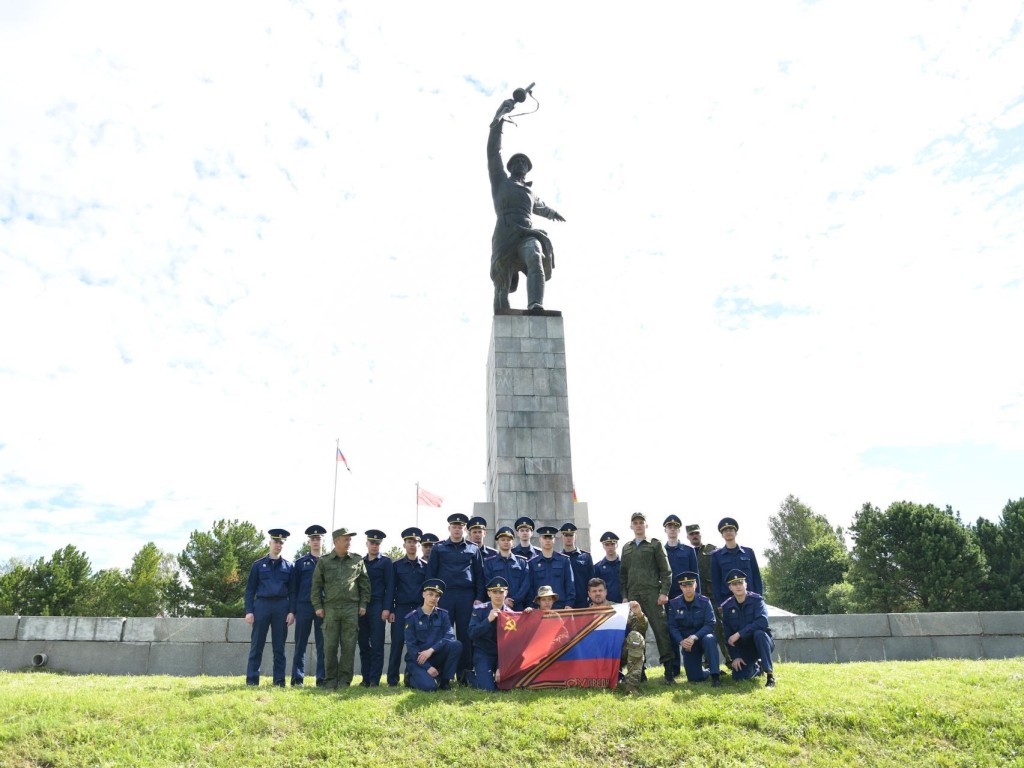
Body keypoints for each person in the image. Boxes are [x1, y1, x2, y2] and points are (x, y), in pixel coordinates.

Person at [487, 97, 566, 312]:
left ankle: (535, 305)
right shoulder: (500, 181)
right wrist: (500, 117)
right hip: (505, 233)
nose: (521, 164)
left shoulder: (530, 192)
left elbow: (542, 207)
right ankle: (502, 308)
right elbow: (493, 153)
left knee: (535, 256)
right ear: (511, 166)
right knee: (501, 285)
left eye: (525, 162)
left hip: (526, 233)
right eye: (517, 161)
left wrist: (554, 214)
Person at [425, 512, 485, 684]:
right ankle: (443, 675)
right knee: (442, 635)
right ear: (449, 528)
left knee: (466, 636)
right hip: (445, 596)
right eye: (454, 527)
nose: (457, 529)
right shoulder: (439, 548)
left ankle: (464, 675)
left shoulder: (473, 548)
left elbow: (479, 575)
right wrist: (432, 598)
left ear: (464, 529)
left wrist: (479, 597)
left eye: (460, 527)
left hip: (467, 597)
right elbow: (431, 574)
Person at [619, 512, 675, 684]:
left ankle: (669, 672)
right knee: (636, 633)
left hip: (653, 595)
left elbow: (666, 571)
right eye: (635, 522)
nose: (638, 525)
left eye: (641, 522)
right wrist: (624, 597)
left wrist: (664, 592)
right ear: (631, 526)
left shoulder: (655, 544)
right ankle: (639, 672)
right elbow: (623, 575)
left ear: (646, 525)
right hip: (634, 596)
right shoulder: (626, 547)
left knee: (661, 631)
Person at [311, 527, 369, 690]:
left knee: (348, 646)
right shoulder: (324, 561)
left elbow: (365, 584)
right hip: (331, 609)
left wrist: (363, 604)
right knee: (329, 646)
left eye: (350, 540)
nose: (349, 542)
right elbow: (316, 585)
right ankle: (330, 680)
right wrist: (318, 606)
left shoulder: (357, 560)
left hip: (351, 609)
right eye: (346, 539)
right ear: (336, 541)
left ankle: (344, 680)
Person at [244, 528, 295, 687]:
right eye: (276, 542)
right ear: (270, 543)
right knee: (257, 644)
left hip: (281, 606)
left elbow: (293, 591)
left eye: (281, 542)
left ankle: (279, 681)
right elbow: (250, 590)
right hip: (262, 605)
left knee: (279, 646)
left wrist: (292, 611)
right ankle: (252, 680)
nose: (278, 545)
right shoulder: (258, 565)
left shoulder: (289, 566)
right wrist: (249, 611)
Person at [586, 577, 648, 694]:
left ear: (606, 592)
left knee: (636, 637)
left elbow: (641, 629)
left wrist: (639, 614)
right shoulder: (583, 614)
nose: (597, 593)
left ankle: (631, 686)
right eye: (594, 591)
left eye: (600, 590)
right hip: (596, 656)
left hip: (618, 652)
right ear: (589, 594)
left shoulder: (619, 609)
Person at [719, 569, 776, 688]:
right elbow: (728, 636)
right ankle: (757, 668)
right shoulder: (727, 607)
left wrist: (739, 634)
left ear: (746, 584)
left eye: (740, 583)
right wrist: (735, 657)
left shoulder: (757, 600)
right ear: (730, 588)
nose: (738, 586)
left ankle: (770, 675)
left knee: (759, 634)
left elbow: (763, 621)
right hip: (745, 647)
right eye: (734, 584)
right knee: (738, 676)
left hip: (762, 642)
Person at [404, 578, 463, 691]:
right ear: (423, 594)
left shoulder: (443, 615)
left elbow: (450, 636)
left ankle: (445, 681)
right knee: (430, 687)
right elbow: (411, 647)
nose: (433, 598)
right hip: (419, 660)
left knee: (456, 645)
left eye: (436, 596)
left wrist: (431, 650)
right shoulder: (412, 618)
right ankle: (410, 677)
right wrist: (428, 667)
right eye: (430, 594)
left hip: (435, 655)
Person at [386, 527, 427, 687]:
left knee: (416, 646)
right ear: (404, 545)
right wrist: (390, 609)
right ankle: (392, 679)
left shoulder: (425, 566)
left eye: (415, 542)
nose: (412, 545)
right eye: (409, 542)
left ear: (419, 545)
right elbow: (391, 589)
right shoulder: (396, 566)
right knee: (397, 644)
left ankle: (411, 678)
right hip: (401, 610)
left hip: (418, 610)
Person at [666, 571, 721, 687]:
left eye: (690, 585)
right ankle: (708, 671)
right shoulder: (674, 604)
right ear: (680, 587)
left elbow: (710, 623)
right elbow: (672, 626)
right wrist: (682, 641)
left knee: (710, 638)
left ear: (695, 585)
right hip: (688, 644)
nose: (688, 589)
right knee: (694, 678)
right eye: (684, 586)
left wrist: (694, 637)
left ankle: (716, 677)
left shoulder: (705, 601)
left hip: (702, 639)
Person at [662, 514, 699, 680]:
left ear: (678, 530)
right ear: (665, 529)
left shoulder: (689, 551)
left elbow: (695, 575)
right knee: (671, 632)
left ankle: (696, 662)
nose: (672, 529)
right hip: (668, 598)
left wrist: (698, 597)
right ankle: (674, 667)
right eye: (669, 526)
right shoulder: (660, 551)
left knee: (691, 628)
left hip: (688, 597)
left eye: (675, 526)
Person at [289, 524, 326, 687]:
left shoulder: (329, 562)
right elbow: (293, 589)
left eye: (318, 538)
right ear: (308, 542)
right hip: (304, 606)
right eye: (313, 539)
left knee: (322, 645)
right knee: (300, 644)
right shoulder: (300, 563)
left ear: (323, 541)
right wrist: (293, 610)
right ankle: (297, 679)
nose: (316, 541)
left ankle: (322, 679)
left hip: (323, 607)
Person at [687, 522, 728, 663]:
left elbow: (722, 571)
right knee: (701, 630)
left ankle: (729, 660)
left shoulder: (712, 550)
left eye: (696, 533)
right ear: (688, 537)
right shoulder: (686, 552)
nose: (694, 536)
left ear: (700, 534)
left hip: (713, 596)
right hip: (696, 599)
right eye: (691, 534)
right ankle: (707, 663)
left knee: (721, 629)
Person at [357, 529, 393, 687]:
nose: (374, 546)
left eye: (377, 543)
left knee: (377, 644)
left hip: (378, 606)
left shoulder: (386, 562)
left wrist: (387, 608)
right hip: (362, 607)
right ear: (367, 544)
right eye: (372, 543)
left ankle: (374, 680)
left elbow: (390, 587)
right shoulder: (360, 562)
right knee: (363, 644)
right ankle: (365, 678)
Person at [468, 576, 513, 691]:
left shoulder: (511, 614)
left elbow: (511, 643)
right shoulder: (479, 610)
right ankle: (469, 676)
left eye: (501, 592)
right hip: (484, 653)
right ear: (489, 594)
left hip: (503, 655)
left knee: (508, 686)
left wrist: (500, 666)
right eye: (494, 592)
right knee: (488, 689)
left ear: (506, 593)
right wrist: (488, 620)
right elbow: (471, 633)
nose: (498, 595)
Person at [711, 517, 764, 606]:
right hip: (727, 599)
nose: (728, 532)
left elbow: (756, 576)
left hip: (750, 598)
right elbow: (716, 581)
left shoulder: (748, 552)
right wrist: (720, 603)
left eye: (731, 530)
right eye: (725, 531)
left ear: (736, 533)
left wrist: (759, 598)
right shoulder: (716, 556)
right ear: (722, 535)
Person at [481, 526, 531, 610]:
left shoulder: (522, 562)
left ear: (513, 542)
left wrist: (514, 600)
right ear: (497, 542)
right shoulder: (489, 563)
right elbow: (488, 584)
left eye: (508, 540)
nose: (506, 542)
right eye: (503, 540)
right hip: (496, 606)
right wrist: (502, 600)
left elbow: (525, 585)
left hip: (517, 606)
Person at [527, 526, 576, 609]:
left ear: (554, 540)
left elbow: (569, 584)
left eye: (550, 537)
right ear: (540, 539)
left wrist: (569, 604)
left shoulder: (564, 560)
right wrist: (532, 606)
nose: (547, 540)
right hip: (540, 608)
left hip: (561, 607)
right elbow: (530, 587)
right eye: (545, 537)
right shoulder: (532, 563)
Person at [559, 522, 595, 608]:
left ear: (575, 536)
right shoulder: (558, 558)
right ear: (561, 537)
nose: (568, 538)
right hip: (564, 604)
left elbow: (592, 581)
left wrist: (591, 601)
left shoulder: (586, 557)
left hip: (582, 602)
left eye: (571, 535)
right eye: (566, 535)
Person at [593, 531, 622, 603]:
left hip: (624, 602)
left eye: (612, 544)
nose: (610, 547)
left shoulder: (624, 564)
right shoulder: (598, 567)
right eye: (607, 544)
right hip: (606, 605)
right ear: (603, 546)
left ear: (617, 545)